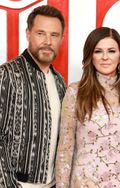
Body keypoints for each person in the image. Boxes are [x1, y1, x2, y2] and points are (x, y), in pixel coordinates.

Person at [55, 27, 120, 188]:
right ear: (90, 56)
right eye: (98, 51)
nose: (105, 57)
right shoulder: (76, 92)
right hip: (86, 183)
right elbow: (65, 149)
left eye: (111, 51)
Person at [0, 5, 66, 188]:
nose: (48, 41)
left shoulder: (59, 81)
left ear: (62, 38)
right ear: (28, 34)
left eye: (54, 35)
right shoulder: (7, 75)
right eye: (40, 33)